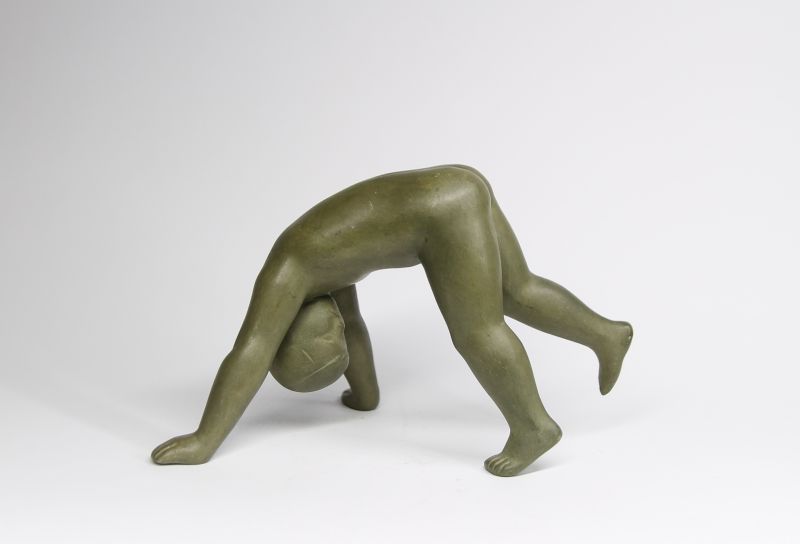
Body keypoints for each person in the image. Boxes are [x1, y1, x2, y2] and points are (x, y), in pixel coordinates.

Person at [151, 164, 633, 477]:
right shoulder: (324, 278)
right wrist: (365, 397)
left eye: (330, 342)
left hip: (441, 213)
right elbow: (356, 328)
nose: (340, 333)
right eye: (339, 342)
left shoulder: (287, 274)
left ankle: (534, 427)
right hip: (459, 183)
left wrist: (204, 439)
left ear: (295, 333)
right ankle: (607, 335)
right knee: (516, 290)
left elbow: (252, 352)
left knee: (476, 331)